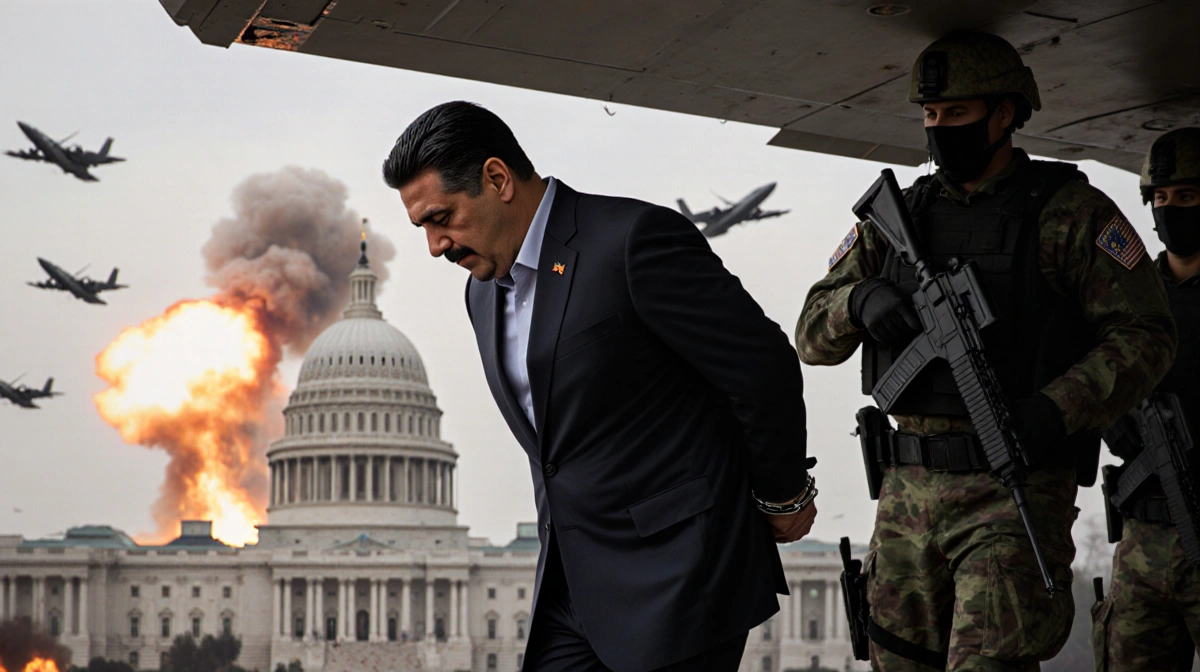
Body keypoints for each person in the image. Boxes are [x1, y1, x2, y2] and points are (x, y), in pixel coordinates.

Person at [381, 101, 816, 672]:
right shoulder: (481, 291)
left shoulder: (632, 240)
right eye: (423, 228)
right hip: (570, 587)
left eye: (442, 218)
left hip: (677, 579)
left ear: (496, 178)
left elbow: (760, 364)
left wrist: (782, 496)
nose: (436, 245)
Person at [795, 32, 1176, 671]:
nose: (941, 130)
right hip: (905, 502)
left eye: (958, 115)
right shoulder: (895, 219)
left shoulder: (1070, 214)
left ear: (1004, 115)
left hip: (1012, 489)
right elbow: (810, 333)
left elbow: (1146, 337)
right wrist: (860, 301)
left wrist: (1058, 407)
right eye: (931, 116)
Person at [1094, 127, 1200, 672]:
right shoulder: (1130, 295)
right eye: (1160, 198)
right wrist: (1109, 417)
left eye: (1187, 196)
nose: (1170, 210)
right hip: (1142, 537)